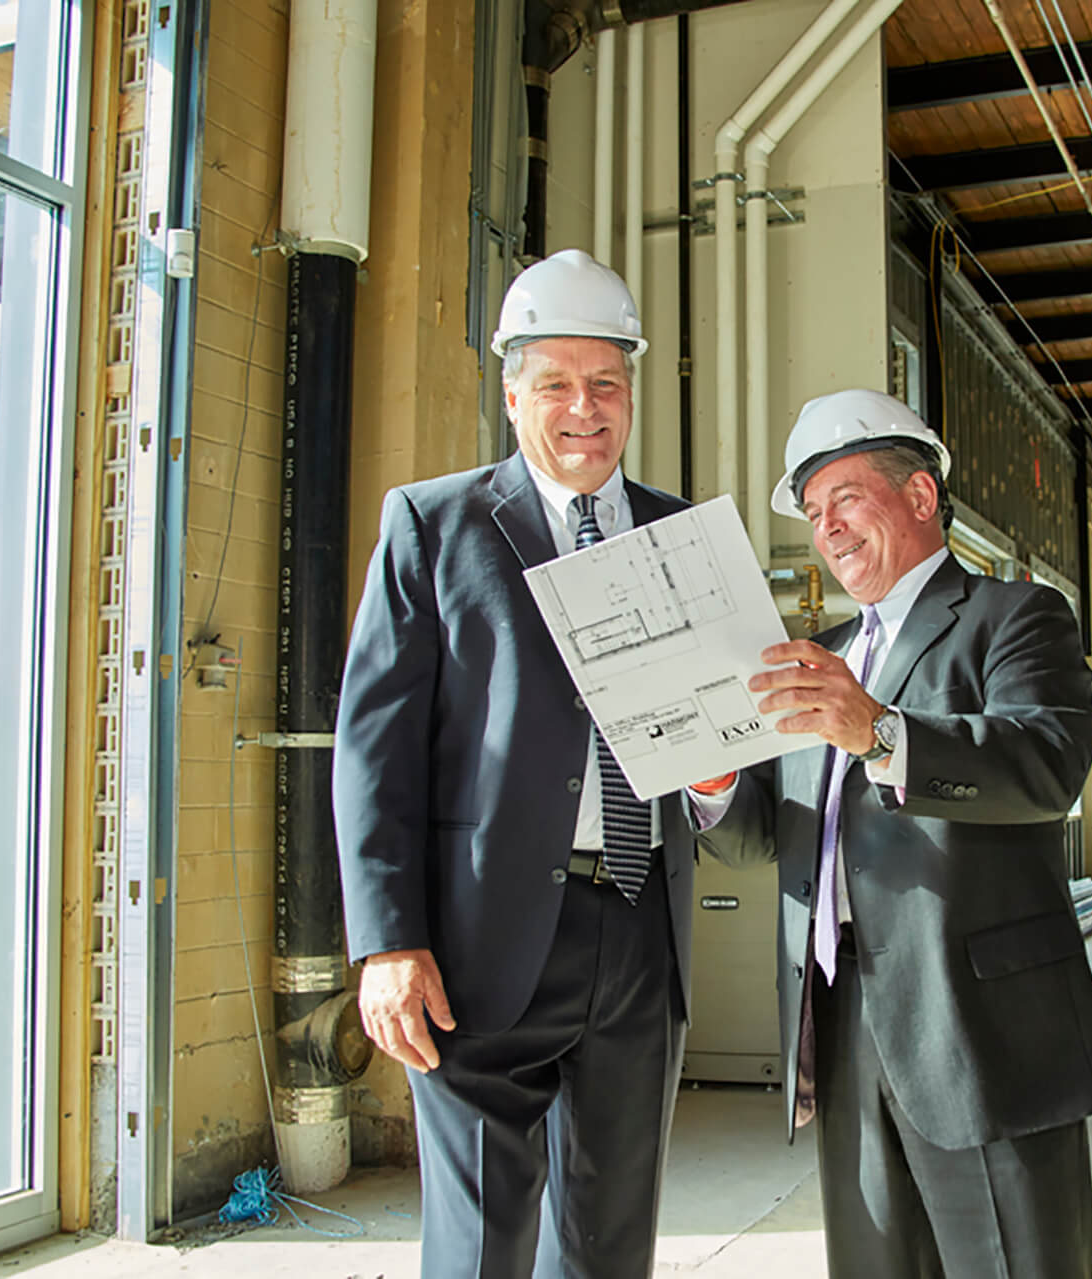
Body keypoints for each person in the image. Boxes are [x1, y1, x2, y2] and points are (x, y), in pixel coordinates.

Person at [688, 389, 1092, 1278]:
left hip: (980, 1033)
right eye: (814, 513)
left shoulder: (1016, 617)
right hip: (841, 1024)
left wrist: (882, 734)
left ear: (920, 496)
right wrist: (716, 780)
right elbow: (771, 837)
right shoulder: (823, 656)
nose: (829, 530)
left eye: (845, 498)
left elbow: (1046, 767)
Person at [334, 249, 693, 1278]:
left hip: (637, 930)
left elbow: (722, 745)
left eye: (606, 383)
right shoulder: (432, 525)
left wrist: (717, 780)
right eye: (556, 384)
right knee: (482, 1243)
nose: (584, 408)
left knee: (610, 1241)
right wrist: (388, 939)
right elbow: (375, 750)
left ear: (632, 390)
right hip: (476, 943)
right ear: (511, 392)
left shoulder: (681, 536)